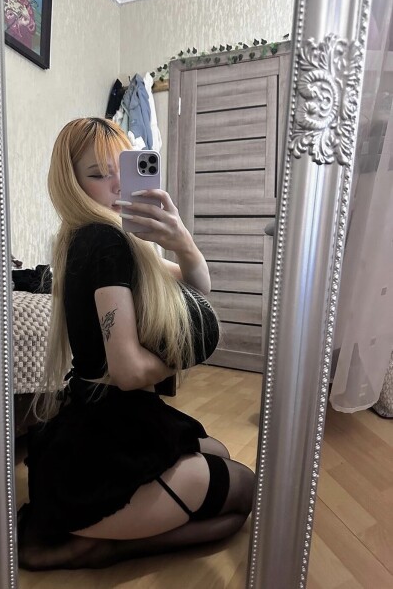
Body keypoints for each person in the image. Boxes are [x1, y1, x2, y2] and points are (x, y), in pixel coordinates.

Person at [18, 117, 256, 570]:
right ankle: (107, 547)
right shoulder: (103, 240)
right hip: (109, 432)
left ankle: (109, 536)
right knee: (243, 493)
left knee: (221, 456)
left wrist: (181, 241)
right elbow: (128, 371)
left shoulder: (103, 240)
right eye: (97, 174)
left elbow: (197, 283)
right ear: (72, 184)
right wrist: (187, 357)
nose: (114, 185)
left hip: (100, 418)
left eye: (120, 171)